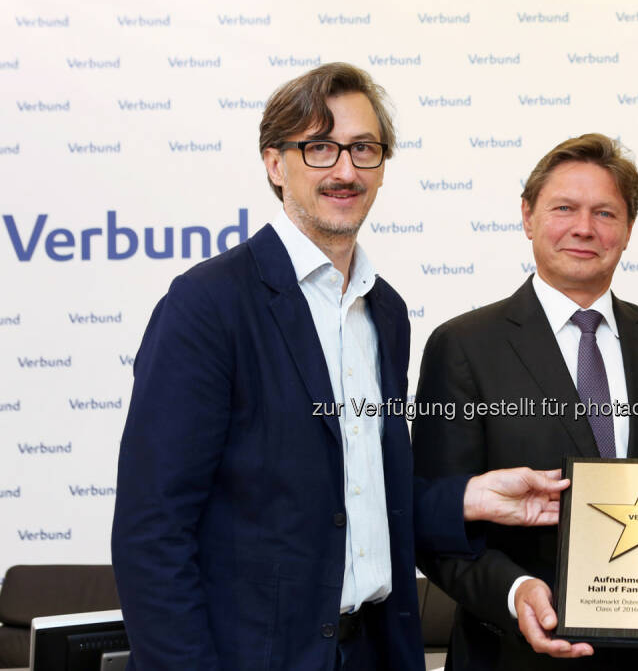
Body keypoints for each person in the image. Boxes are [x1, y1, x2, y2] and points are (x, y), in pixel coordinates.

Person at [111, 63, 570, 671]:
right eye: (320, 148)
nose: (346, 170)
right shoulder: (209, 305)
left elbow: (353, 492)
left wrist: (468, 497)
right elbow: (152, 532)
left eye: (364, 149)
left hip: (374, 650)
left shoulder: (385, 310)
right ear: (276, 164)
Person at [413, 134, 638, 670]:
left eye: (605, 212)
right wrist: (516, 595)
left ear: (628, 230)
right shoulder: (463, 345)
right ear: (527, 215)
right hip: (513, 654)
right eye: (564, 208)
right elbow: (432, 516)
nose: (584, 228)